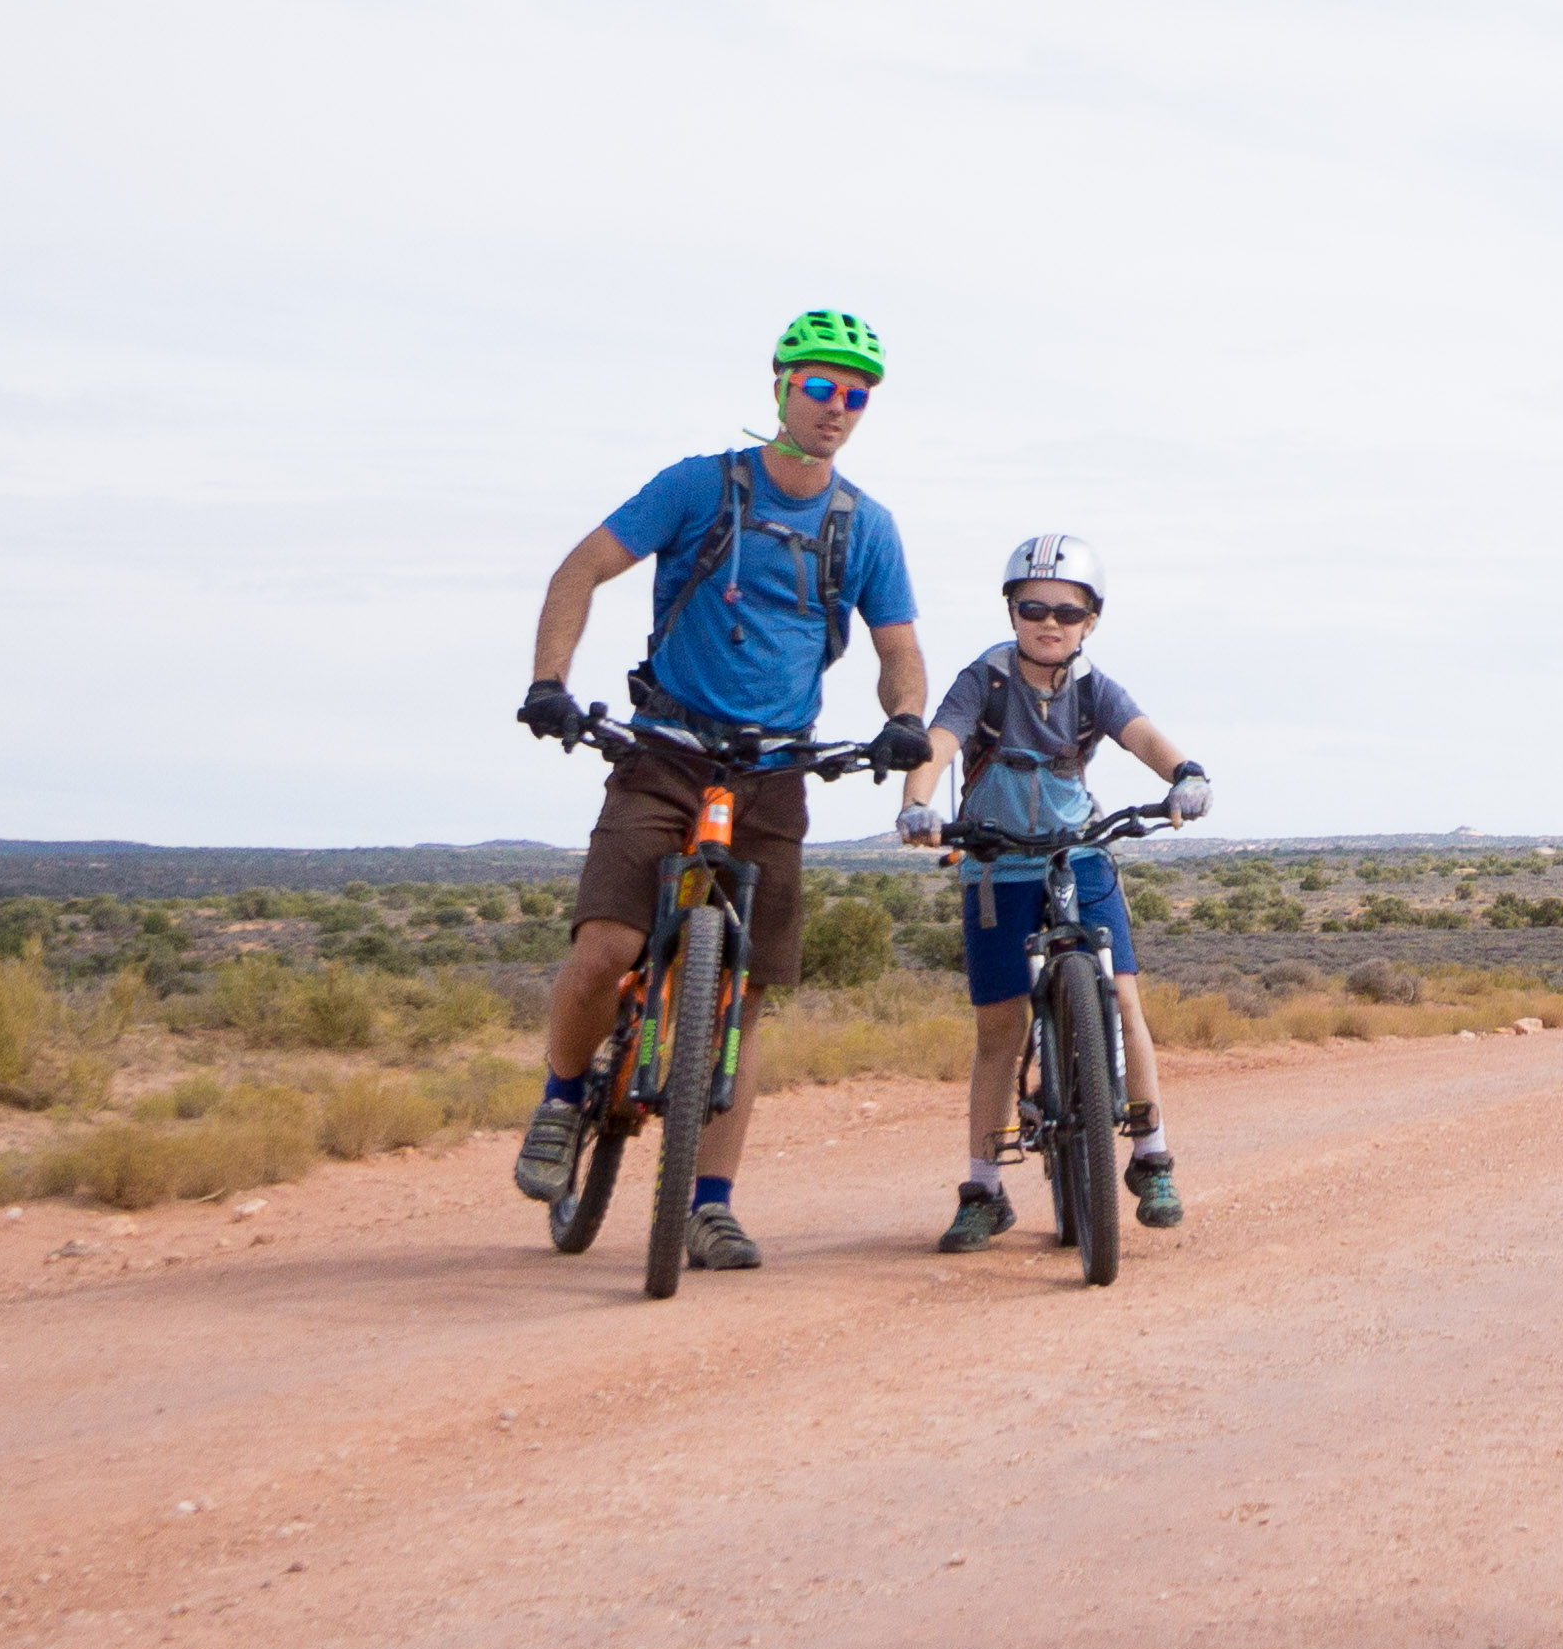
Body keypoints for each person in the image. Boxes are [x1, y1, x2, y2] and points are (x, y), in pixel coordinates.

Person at [512, 312, 930, 1270]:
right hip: (665, 750)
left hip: (774, 771)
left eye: (856, 395)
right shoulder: (700, 485)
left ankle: (709, 1203)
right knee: (606, 941)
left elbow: (897, 649)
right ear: (780, 382)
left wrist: (902, 717)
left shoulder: (865, 525)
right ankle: (563, 1099)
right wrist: (550, 681)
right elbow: (582, 568)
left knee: (738, 998)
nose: (837, 408)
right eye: (821, 386)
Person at [899, 536, 1214, 1250]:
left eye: (1067, 612)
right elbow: (939, 742)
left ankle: (1151, 1156)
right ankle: (983, 1187)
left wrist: (1186, 774)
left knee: (1124, 998)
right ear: (1011, 610)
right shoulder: (984, 678)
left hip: (1078, 857)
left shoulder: (1093, 685)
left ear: (1090, 621)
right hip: (995, 864)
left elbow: (1142, 737)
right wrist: (917, 801)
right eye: (1032, 607)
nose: (1049, 622)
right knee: (1000, 1031)